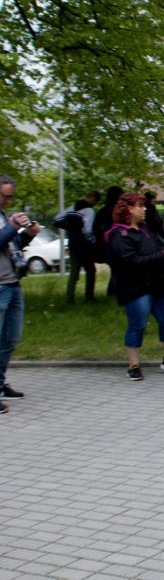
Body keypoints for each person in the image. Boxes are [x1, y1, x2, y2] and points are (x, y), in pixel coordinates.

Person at [104, 193, 164, 381]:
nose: (145, 209)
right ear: (128, 210)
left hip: (157, 285)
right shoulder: (119, 234)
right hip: (135, 288)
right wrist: (160, 256)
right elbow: (130, 262)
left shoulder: (146, 229)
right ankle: (133, 365)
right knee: (138, 324)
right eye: (140, 206)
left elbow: (157, 247)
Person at [0, 174, 40, 413]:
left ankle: (0, 382)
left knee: (10, 339)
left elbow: (12, 246)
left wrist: (28, 234)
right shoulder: (7, 220)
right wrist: (12, 227)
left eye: (10, 197)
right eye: (4, 196)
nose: (8, 200)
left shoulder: (3, 215)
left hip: (13, 282)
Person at [54, 190, 100, 303]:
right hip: (84, 246)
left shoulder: (73, 208)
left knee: (74, 272)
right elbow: (87, 230)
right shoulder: (89, 210)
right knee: (90, 271)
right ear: (93, 199)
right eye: (96, 201)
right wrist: (93, 241)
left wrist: (69, 227)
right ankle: (89, 297)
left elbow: (57, 219)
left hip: (73, 244)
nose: (95, 204)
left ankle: (70, 298)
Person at [92, 185, 124, 296]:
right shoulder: (116, 211)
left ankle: (113, 291)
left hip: (105, 244)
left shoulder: (102, 211)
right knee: (117, 269)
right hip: (113, 243)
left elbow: (95, 229)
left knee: (115, 269)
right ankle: (114, 291)